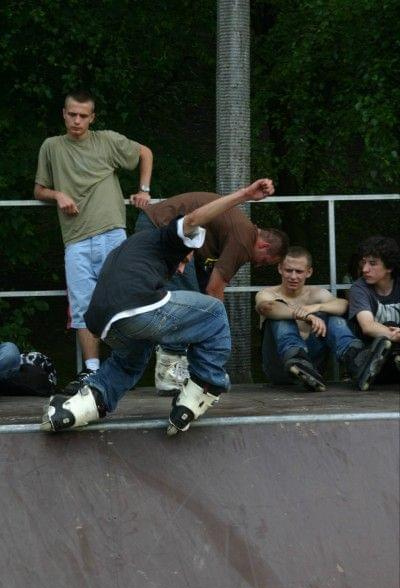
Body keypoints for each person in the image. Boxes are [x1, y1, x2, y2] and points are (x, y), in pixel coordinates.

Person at [41, 179, 276, 435]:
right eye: (185, 258)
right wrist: (244, 195)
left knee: (130, 360)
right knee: (214, 312)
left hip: (103, 321)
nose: (183, 266)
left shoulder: (130, 249)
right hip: (136, 305)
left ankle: (77, 407)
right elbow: (195, 218)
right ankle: (199, 391)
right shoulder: (164, 238)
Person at [34, 90, 153, 393]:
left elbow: (145, 152)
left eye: (83, 115)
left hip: (112, 233)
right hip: (75, 240)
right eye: (72, 114)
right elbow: (39, 190)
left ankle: (124, 367)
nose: (77, 120)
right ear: (64, 113)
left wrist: (144, 189)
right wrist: (57, 194)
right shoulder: (51, 146)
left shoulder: (107, 140)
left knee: (122, 301)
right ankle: (91, 371)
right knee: (82, 306)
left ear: (92, 118)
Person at [133, 187, 289, 394]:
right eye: (266, 262)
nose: (259, 266)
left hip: (160, 224)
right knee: (185, 301)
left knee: (193, 301)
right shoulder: (244, 241)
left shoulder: (240, 230)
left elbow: (207, 288)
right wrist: (219, 333)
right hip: (160, 225)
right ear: (263, 245)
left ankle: (193, 367)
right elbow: (215, 291)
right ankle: (169, 372)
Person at [255, 246, 391, 391]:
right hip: (281, 368)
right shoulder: (267, 293)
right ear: (280, 269)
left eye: (299, 271)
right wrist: (306, 316)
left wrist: (317, 308)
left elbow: (343, 304)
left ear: (309, 272)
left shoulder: (316, 294)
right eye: (289, 270)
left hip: (313, 370)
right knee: (280, 317)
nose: (293, 276)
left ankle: (356, 360)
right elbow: (268, 307)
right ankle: (296, 360)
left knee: (332, 317)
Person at [348, 236, 400, 382]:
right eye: (363, 263)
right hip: (377, 359)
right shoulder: (359, 288)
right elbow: (368, 326)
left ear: (389, 267)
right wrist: (395, 335)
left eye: (372, 264)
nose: (365, 269)